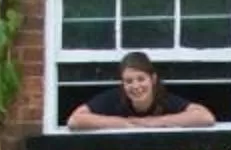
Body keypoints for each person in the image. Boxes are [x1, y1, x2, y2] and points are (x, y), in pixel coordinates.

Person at [66, 51, 216, 131]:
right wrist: (124, 124)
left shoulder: (164, 99)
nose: (136, 86)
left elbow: (205, 117)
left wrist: (154, 122)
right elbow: (75, 120)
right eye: (129, 81)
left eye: (141, 79)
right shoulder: (113, 98)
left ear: (153, 79)